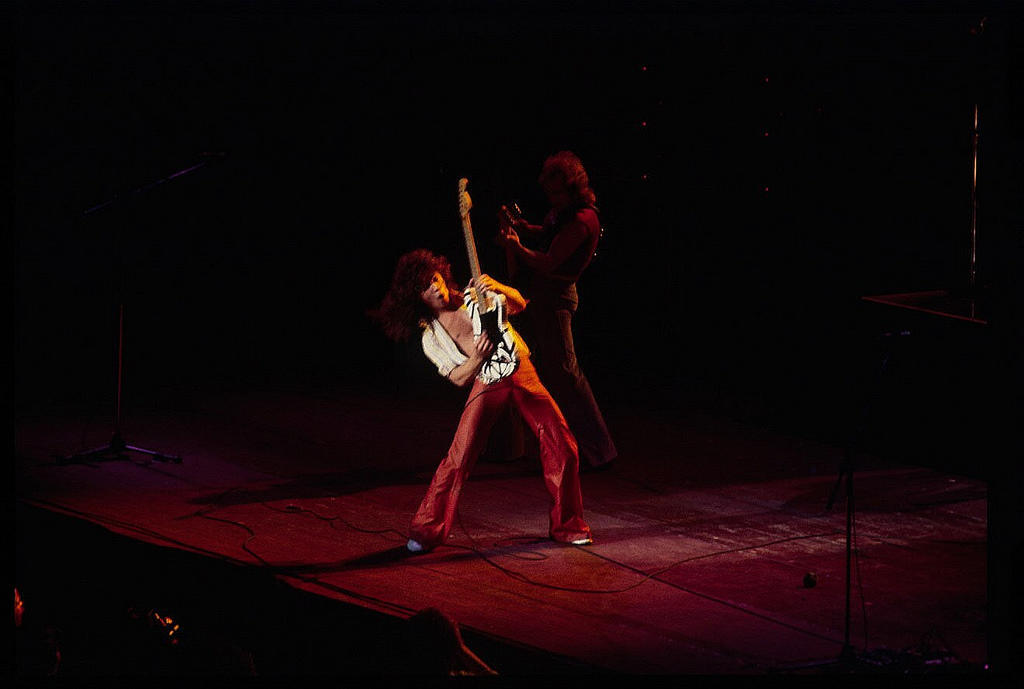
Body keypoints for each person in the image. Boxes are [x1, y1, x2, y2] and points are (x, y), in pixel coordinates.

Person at [371, 248, 592, 553]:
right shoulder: (431, 337)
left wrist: (497, 287)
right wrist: (477, 357)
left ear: (442, 274)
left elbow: (518, 304)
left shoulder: (475, 295)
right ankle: (426, 530)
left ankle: (567, 527)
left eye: (434, 279)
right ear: (418, 298)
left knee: (562, 444)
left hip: (519, 366)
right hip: (487, 380)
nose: (435, 287)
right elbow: (459, 377)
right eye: (425, 287)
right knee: (458, 457)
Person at [497, 150, 617, 470]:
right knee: (521, 365)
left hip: (556, 298)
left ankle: (599, 450)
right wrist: (524, 228)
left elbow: (550, 262)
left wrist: (516, 246)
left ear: (571, 188)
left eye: (555, 192)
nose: (550, 197)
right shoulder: (563, 213)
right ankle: (521, 445)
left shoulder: (583, 219)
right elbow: (548, 236)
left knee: (566, 373)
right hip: (540, 296)